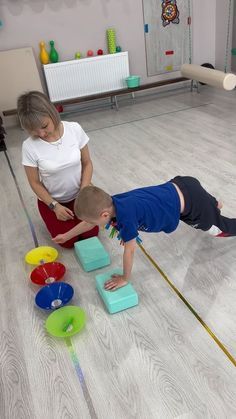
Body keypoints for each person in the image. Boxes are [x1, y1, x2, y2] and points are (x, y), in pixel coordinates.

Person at [53, 176, 236, 289]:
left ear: (104, 214)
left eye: (94, 222)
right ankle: (214, 204)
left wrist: (125, 278)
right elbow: (86, 223)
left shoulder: (126, 218)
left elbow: (130, 250)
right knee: (206, 201)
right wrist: (66, 236)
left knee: (218, 229)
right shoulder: (114, 201)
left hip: (191, 205)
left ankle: (213, 210)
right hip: (183, 183)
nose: (91, 224)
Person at [18, 90, 98, 248]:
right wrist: (54, 206)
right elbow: (34, 183)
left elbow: (87, 163)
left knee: (91, 234)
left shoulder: (74, 129)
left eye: (44, 126)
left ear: (51, 112)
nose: (41, 133)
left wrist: (83, 191)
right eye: (34, 130)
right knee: (68, 242)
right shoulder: (29, 146)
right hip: (53, 201)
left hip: (80, 195)